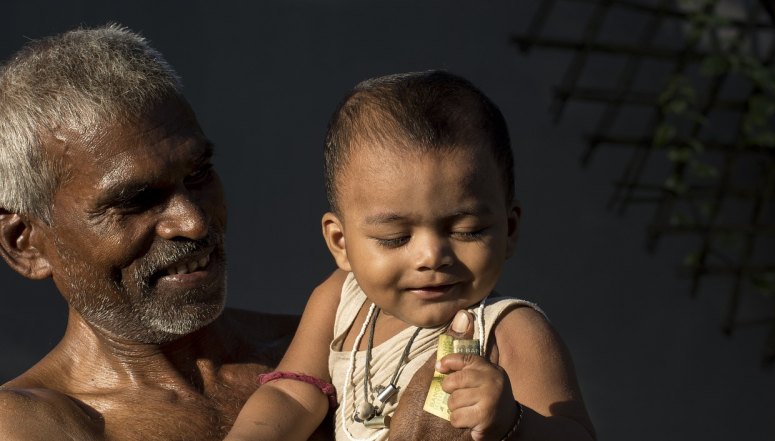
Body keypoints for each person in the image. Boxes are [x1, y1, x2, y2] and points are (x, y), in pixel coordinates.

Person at [0, 24, 330, 441]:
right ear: (24, 244)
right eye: (135, 200)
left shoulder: (335, 353)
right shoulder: (31, 425)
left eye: (199, 174)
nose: (192, 221)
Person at [225, 71, 596, 441]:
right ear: (341, 243)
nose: (432, 255)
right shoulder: (341, 300)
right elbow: (292, 392)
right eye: (395, 237)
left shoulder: (510, 331)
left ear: (509, 230)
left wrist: (513, 421)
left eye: (467, 230)